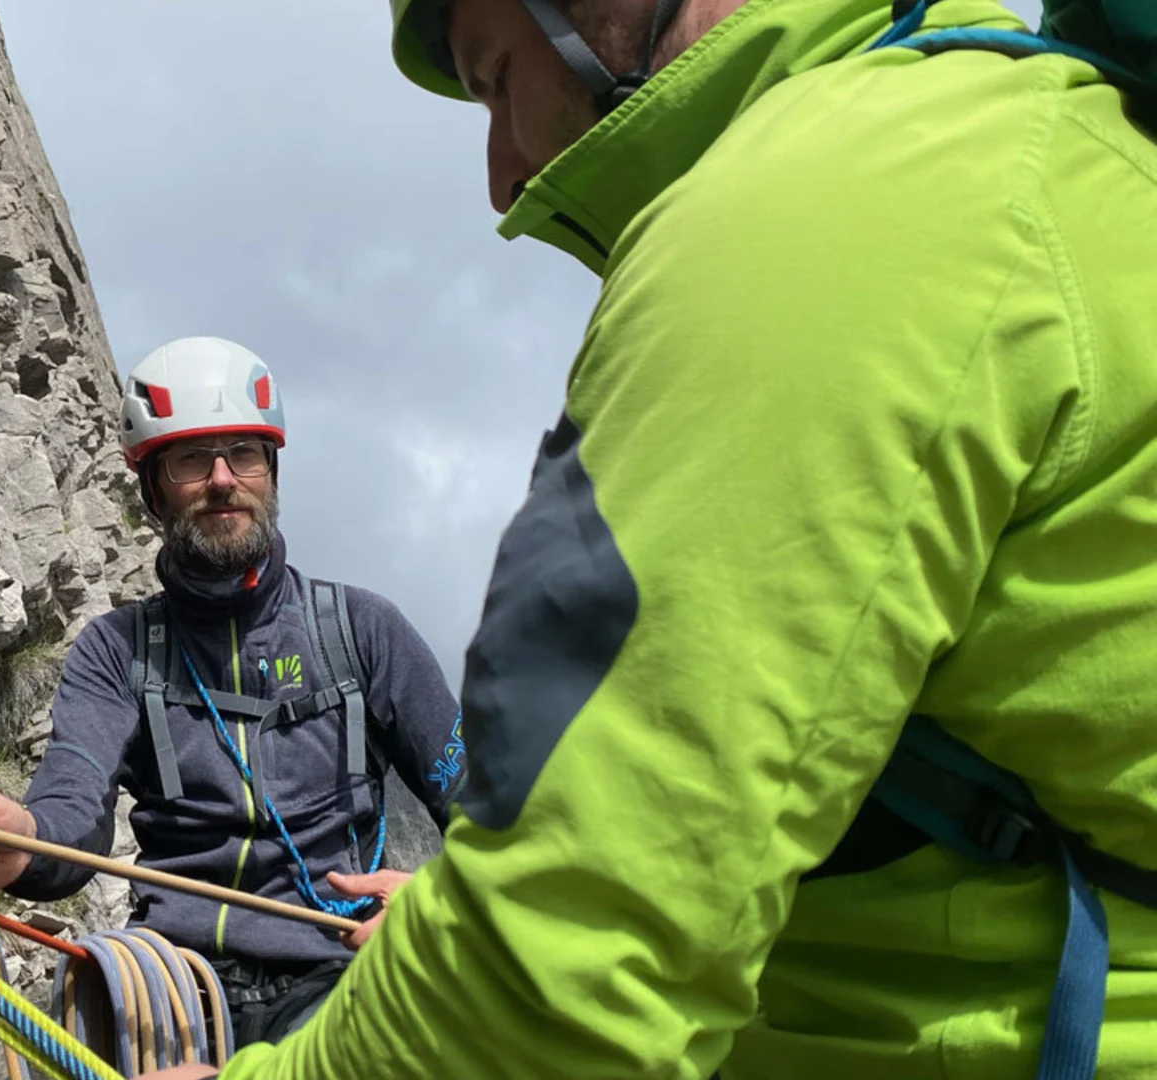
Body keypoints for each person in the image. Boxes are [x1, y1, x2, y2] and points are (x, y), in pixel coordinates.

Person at [137, 0, 1157, 1078]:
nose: (503, 175)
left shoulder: (813, 222)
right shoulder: (1032, 140)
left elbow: (554, 976)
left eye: (494, 79)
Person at [0, 335, 469, 1046]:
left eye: (245, 453)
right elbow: (71, 807)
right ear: (152, 488)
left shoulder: (361, 630)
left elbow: (484, 810)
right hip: (172, 989)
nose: (224, 479)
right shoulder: (118, 650)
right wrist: (21, 841)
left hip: (340, 971)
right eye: (192, 459)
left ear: (272, 471)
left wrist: (443, 901)